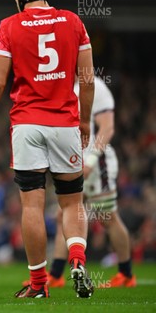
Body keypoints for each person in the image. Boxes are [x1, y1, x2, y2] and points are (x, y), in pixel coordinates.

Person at [0, 0, 95, 298]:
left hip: (27, 125)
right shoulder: (73, 22)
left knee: (32, 207)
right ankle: (78, 260)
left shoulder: (9, 26)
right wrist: (84, 122)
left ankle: (39, 285)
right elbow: (87, 79)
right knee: (71, 203)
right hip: (65, 123)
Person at [42, 76, 135, 288]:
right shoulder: (60, 86)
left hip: (96, 163)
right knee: (63, 214)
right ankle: (56, 274)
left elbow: (107, 127)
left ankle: (126, 274)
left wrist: (92, 160)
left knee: (107, 217)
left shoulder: (94, 85)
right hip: (73, 162)